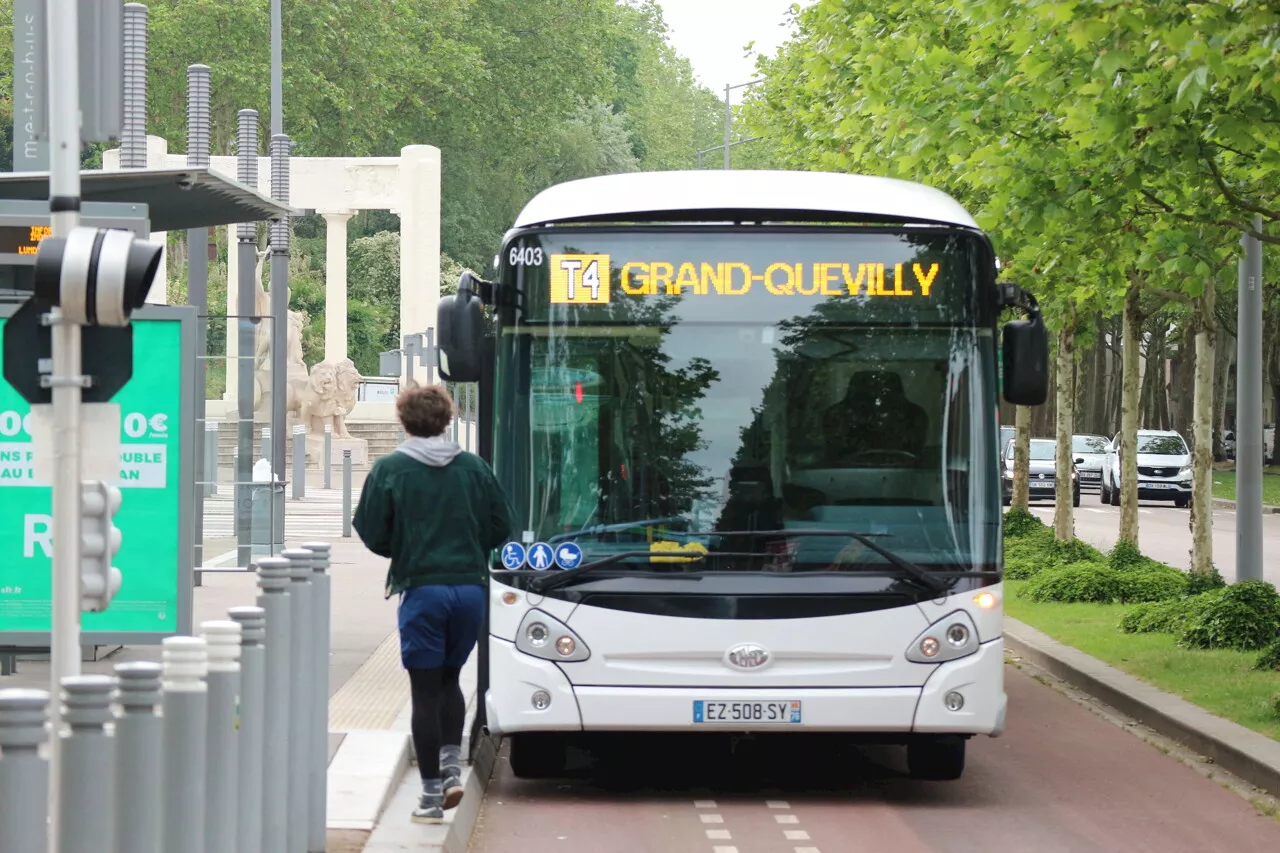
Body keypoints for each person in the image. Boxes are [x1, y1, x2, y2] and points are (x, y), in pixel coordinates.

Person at [353, 384, 513, 824]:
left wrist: (403, 550)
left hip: (422, 589)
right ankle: (449, 768)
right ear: (447, 419)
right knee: (450, 680)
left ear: (404, 421)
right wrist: (469, 547)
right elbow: (503, 524)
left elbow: (369, 530)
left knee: (423, 692)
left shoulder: (389, 469)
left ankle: (428, 797)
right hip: (469, 590)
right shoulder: (475, 468)